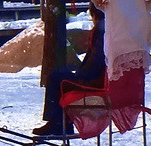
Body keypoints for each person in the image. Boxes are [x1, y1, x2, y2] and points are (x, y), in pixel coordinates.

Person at [34, 8, 106, 137]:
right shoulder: (104, 31)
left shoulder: (101, 33)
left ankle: (57, 123)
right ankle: (61, 122)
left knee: (56, 78)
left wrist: (80, 76)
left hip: (94, 80)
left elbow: (96, 63)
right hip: (96, 77)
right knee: (60, 75)